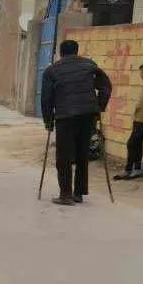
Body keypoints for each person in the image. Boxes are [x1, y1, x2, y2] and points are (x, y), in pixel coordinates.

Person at [41, 39, 112, 206]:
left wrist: (48, 121)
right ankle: (79, 193)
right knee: (82, 153)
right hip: (88, 114)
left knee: (64, 156)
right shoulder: (89, 65)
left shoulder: (52, 71)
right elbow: (106, 86)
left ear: (61, 52)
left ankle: (65, 194)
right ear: (77, 51)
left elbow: (46, 98)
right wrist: (99, 106)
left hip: (65, 116)